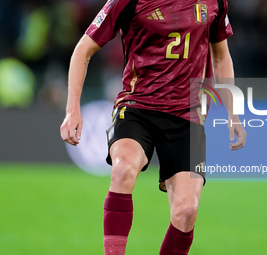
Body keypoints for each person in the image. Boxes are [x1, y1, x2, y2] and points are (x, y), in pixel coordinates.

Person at [60, 0, 247, 254]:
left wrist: (233, 113)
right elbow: (84, 49)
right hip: (138, 106)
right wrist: (72, 109)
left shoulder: (214, 2)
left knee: (186, 211)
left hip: (187, 116)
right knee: (124, 169)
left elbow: (221, 56)